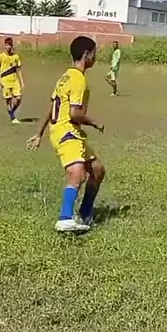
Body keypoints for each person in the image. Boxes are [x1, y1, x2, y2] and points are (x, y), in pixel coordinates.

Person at [27, 35, 106, 234]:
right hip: (66, 131)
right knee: (77, 173)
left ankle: (85, 214)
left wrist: (39, 133)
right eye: (94, 53)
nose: (95, 57)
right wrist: (95, 122)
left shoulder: (65, 77)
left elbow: (52, 106)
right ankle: (65, 219)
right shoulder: (78, 79)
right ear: (86, 54)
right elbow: (74, 113)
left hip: (68, 131)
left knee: (97, 170)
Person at [0, 37, 24, 124]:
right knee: (8, 100)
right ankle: (13, 118)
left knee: (19, 98)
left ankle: (12, 112)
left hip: (14, 81)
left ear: (12, 46)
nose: (8, 47)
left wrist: (22, 81)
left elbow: (19, 69)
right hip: (5, 82)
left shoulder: (15, 57)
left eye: (10, 45)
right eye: (7, 45)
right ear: (4, 45)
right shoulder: (1, 56)